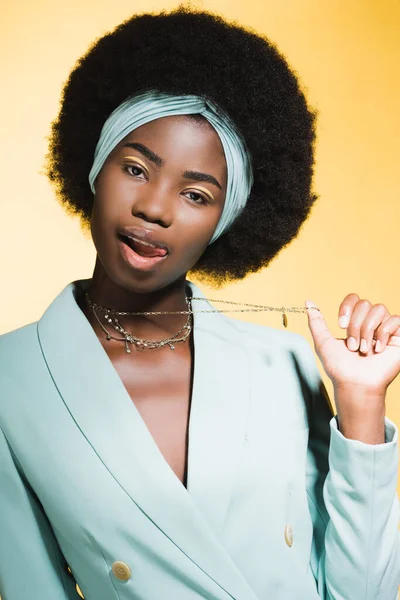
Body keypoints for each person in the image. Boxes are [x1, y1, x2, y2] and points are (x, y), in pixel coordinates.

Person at [0, 6, 399, 600]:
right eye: (135, 168)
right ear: (92, 167)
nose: (155, 209)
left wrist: (362, 404)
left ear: (225, 221)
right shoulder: (12, 380)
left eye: (195, 194)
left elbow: (365, 592)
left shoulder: (283, 363)